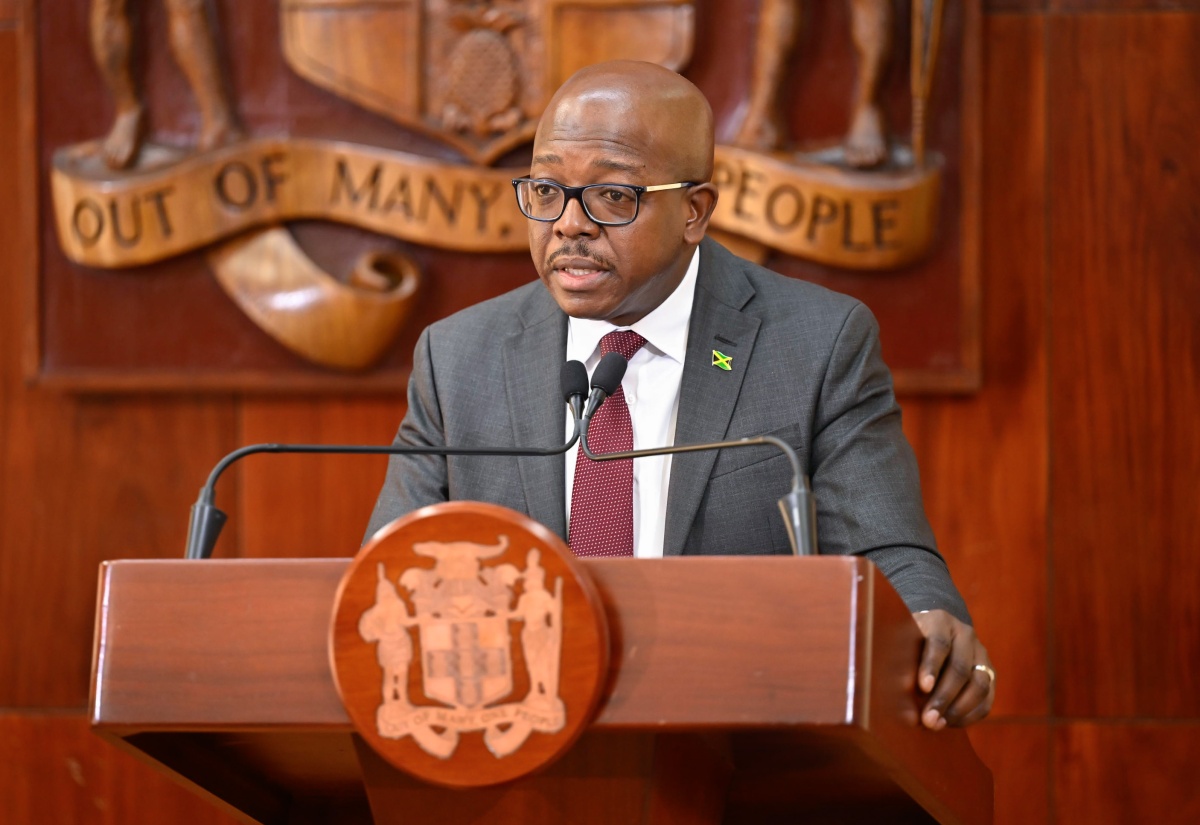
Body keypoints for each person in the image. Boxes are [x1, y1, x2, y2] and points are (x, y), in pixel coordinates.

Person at [367, 60, 994, 730]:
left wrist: (930, 624)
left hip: (739, 743)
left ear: (694, 211)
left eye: (613, 196)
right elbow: (387, 572)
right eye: (548, 189)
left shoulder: (815, 345)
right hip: (511, 744)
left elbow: (888, 550)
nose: (569, 224)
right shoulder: (460, 356)